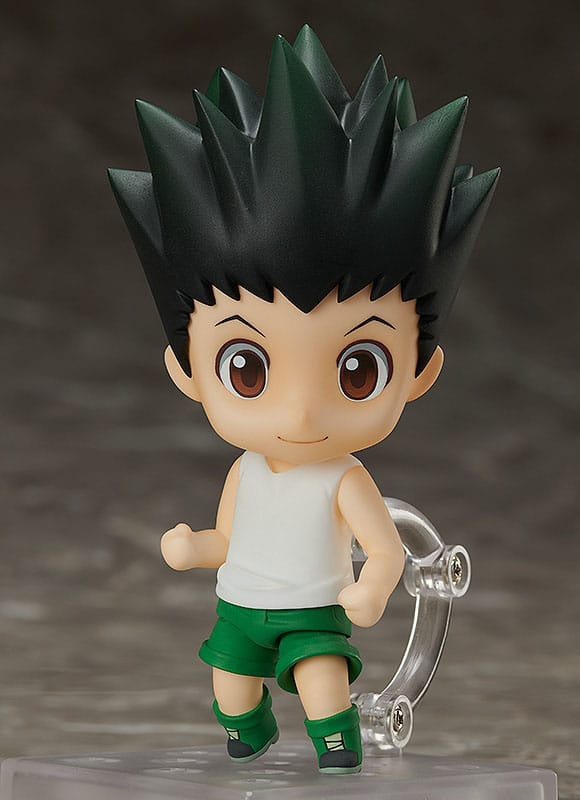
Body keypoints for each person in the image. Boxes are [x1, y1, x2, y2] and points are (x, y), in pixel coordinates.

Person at [108, 24, 499, 774]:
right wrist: (194, 549)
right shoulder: (246, 473)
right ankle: (248, 735)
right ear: (187, 371)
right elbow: (230, 537)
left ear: (419, 373)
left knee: (323, 686)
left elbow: (383, 548)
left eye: (356, 372)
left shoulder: (344, 478)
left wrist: (372, 589)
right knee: (229, 687)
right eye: (248, 369)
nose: (300, 414)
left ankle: (338, 754)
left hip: (315, 608)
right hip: (240, 604)